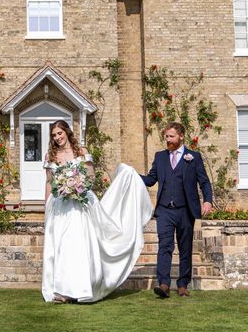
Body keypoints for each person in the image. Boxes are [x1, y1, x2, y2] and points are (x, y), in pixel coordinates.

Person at [42, 120, 153, 303]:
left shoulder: (81, 152)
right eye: (54, 135)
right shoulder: (50, 156)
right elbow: (48, 182)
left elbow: (90, 177)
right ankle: (62, 290)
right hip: (61, 205)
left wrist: (77, 185)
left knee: (79, 244)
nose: (57, 138)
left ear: (67, 132)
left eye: (60, 133)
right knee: (62, 246)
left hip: (81, 202)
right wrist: (47, 206)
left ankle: (83, 288)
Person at [140, 122, 212, 298]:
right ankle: (163, 284)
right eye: (166, 136)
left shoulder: (193, 157)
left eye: (171, 136)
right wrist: (131, 175)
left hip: (185, 210)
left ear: (181, 136)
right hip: (164, 210)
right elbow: (150, 180)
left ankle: (182, 285)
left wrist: (208, 201)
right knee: (165, 245)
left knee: (185, 248)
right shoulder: (160, 157)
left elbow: (204, 181)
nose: (168, 140)